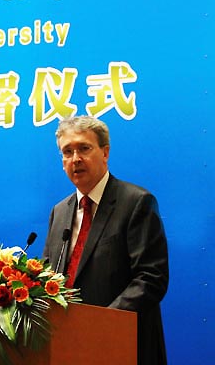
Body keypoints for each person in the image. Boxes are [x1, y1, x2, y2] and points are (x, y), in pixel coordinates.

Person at [42, 115, 169, 365]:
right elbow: (48, 277)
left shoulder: (136, 203)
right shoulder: (60, 212)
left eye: (84, 148)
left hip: (123, 345)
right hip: (69, 347)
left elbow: (151, 278)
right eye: (67, 152)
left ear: (105, 152)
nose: (75, 158)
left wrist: (100, 324)